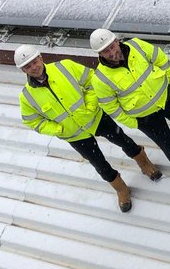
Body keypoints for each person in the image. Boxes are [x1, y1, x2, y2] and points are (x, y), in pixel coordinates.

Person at [14, 44, 161, 214]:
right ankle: (121, 189)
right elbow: (32, 121)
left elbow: (92, 81)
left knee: (123, 140)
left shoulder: (65, 67)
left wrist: (90, 106)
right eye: (27, 66)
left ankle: (145, 164)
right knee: (99, 164)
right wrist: (58, 129)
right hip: (75, 135)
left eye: (34, 62)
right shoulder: (26, 97)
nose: (33, 67)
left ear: (40, 57)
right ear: (23, 70)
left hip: (96, 118)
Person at [88, 29, 170, 192]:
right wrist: (134, 123)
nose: (112, 53)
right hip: (145, 117)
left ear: (117, 41)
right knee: (168, 145)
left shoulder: (137, 45)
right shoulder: (100, 79)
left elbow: (161, 59)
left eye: (112, 46)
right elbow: (111, 107)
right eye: (105, 51)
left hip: (168, 97)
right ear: (99, 54)